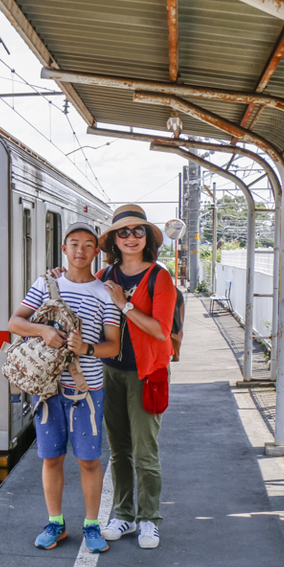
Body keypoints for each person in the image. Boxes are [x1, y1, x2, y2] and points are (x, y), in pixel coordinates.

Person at [8, 223, 121, 553]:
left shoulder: (104, 293)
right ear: (64, 249)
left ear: (96, 252)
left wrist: (86, 348)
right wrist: (41, 332)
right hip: (47, 387)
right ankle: (55, 522)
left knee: (88, 461)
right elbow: (15, 322)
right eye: (74, 244)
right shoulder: (46, 284)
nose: (81, 250)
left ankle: (91, 525)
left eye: (88, 245)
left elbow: (112, 346)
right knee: (52, 457)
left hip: (87, 389)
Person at [96, 204, 176, 549]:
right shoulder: (102, 277)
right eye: (123, 232)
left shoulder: (160, 277)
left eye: (137, 231)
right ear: (114, 239)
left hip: (147, 375)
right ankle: (123, 514)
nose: (130, 238)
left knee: (145, 453)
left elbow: (160, 331)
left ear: (147, 238)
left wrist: (124, 305)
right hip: (110, 372)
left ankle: (150, 520)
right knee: (119, 451)